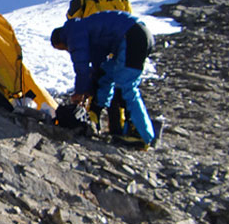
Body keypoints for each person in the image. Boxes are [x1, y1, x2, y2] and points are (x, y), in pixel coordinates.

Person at [51, 11, 156, 148]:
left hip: (132, 36)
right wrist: (89, 89)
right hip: (136, 35)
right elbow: (98, 65)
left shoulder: (73, 33)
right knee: (105, 76)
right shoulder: (86, 29)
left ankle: (143, 136)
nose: (67, 50)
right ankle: (95, 115)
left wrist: (79, 92)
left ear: (60, 41)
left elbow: (81, 66)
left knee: (126, 87)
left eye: (63, 48)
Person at [66, 0, 133, 135]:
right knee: (97, 83)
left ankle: (117, 128)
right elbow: (73, 20)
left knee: (118, 86)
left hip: (118, 46)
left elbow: (129, 18)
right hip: (96, 47)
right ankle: (92, 122)